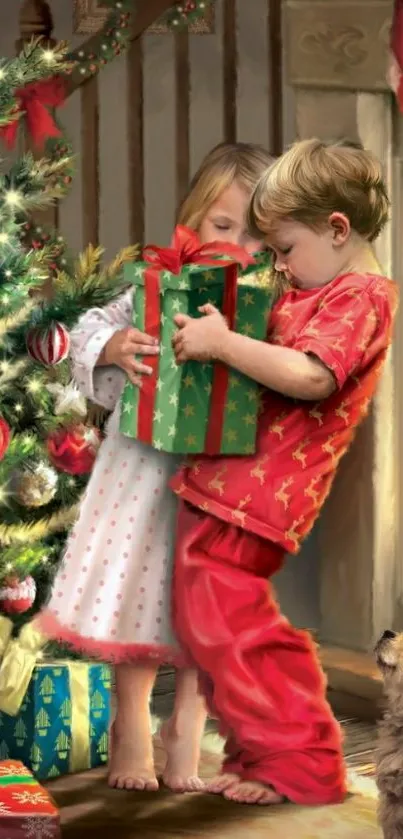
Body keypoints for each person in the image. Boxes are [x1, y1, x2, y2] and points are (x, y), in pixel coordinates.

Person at [38, 143, 278, 794]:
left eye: (255, 232)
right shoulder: (155, 282)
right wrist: (114, 345)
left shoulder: (269, 306)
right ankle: (131, 722)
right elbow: (85, 328)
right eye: (222, 226)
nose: (236, 243)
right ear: (194, 221)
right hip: (144, 475)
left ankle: (187, 725)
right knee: (142, 603)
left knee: (205, 608)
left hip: (219, 482)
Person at [170, 138, 398, 806]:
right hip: (223, 483)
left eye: (286, 248)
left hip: (260, 496)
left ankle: (303, 760)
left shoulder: (361, 296)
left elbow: (308, 375)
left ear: (336, 229)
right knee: (206, 625)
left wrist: (224, 342)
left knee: (235, 625)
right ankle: (256, 752)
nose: (280, 266)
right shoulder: (314, 284)